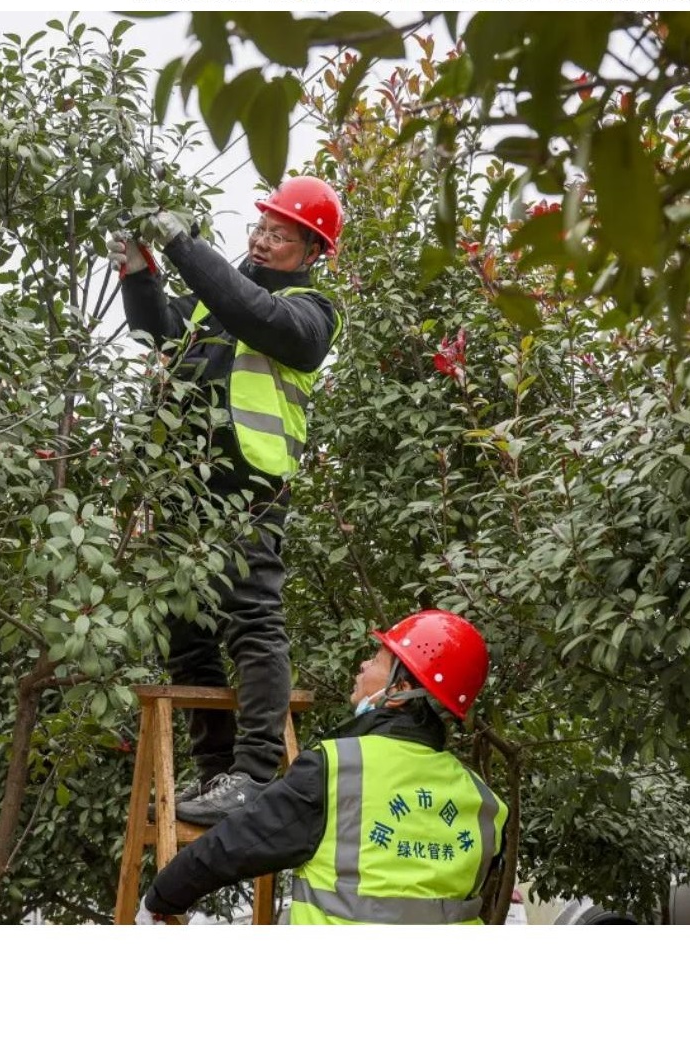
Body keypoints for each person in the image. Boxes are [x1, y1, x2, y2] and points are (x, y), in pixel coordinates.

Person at [108, 177, 345, 827]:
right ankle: (216, 772)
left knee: (252, 620)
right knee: (185, 631)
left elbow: (252, 313)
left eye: (280, 235)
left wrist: (182, 243)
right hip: (184, 486)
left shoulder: (311, 313)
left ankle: (255, 769)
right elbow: (160, 332)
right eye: (261, 228)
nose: (263, 241)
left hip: (248, 488)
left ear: (312, 252)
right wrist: (138, 271)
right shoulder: (214, 301)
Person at [135, 609, 508, 925]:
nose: (364, 664)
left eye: (378, 659)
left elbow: (234, 845)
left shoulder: (337, 771)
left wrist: (160, 899)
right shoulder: (485, 802)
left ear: (398, 692)